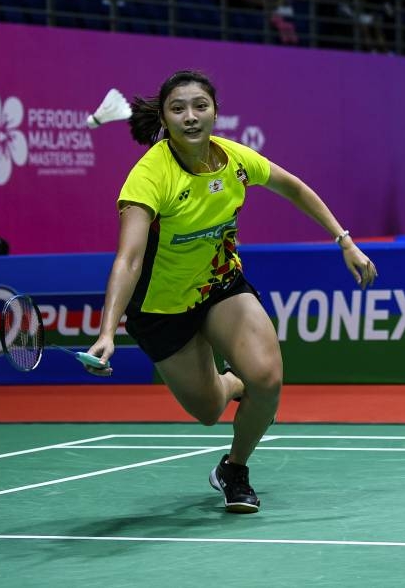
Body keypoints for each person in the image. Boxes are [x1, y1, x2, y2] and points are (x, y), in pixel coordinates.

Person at [86, 69, 377, 514]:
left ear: (216, 112)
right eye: (178, 108)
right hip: (162, 309)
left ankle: (234, 469)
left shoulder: (236, 159)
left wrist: (345, 241)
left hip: (220, 286)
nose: (190, 116)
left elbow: (293, 188)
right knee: (208, 410)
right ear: (164, 118)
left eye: (200, 106)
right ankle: (234, 383)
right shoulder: (149, 177)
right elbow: (128, 259)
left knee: (270, 379)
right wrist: (107, 333)